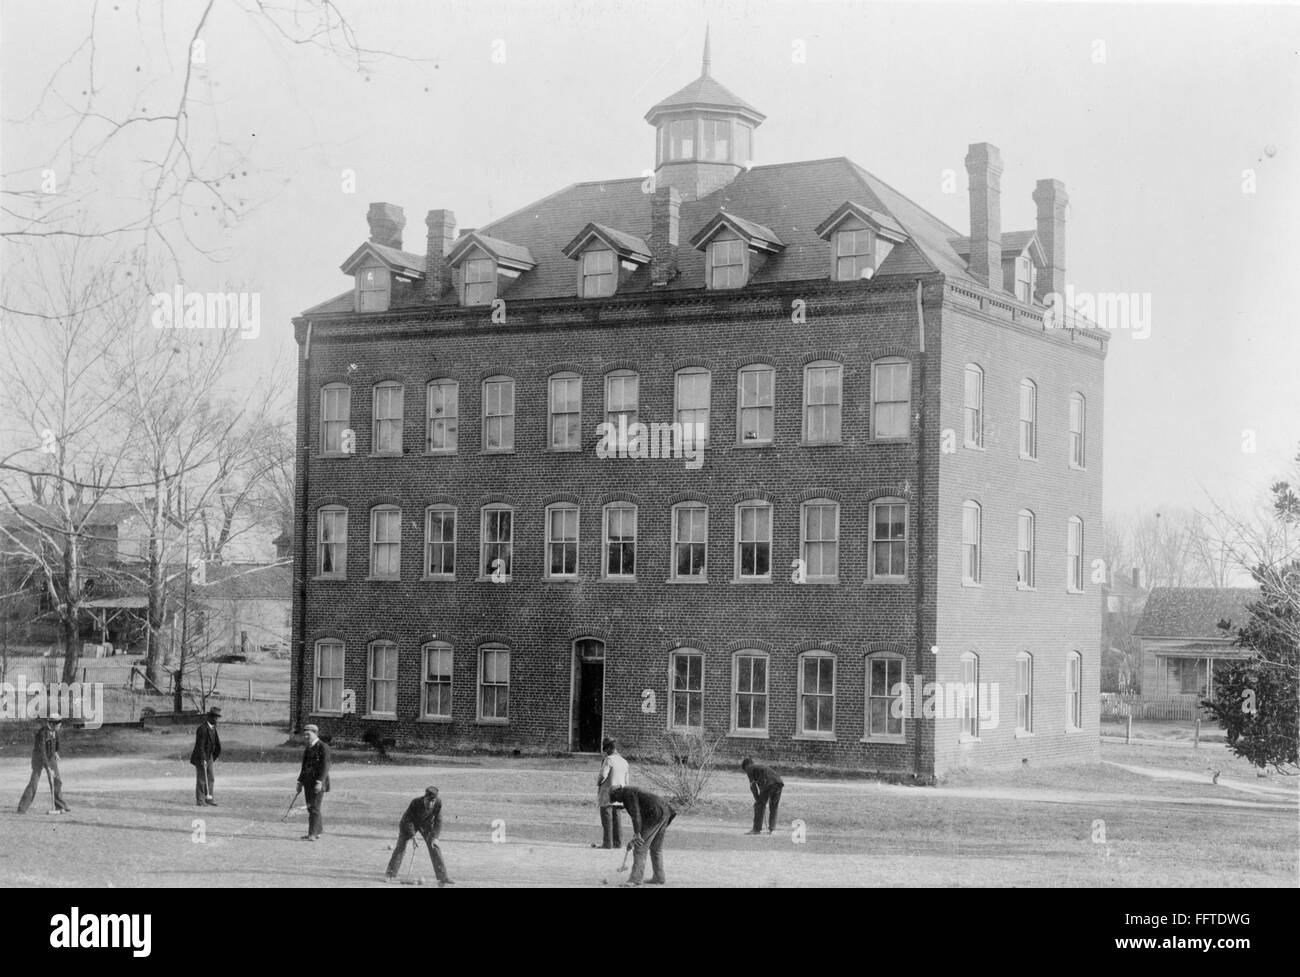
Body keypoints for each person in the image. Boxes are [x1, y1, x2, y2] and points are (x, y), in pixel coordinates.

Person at [385, 786, 455, 887]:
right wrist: (413, 836)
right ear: (425, 798)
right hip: (409, 824)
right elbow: (407, 821)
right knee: (401, 846)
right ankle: (390, 873)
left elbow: (438, 821)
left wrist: (435, 837)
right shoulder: (415, 803)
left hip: (426, 825)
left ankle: (442, 877)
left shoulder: (438, 803)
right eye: (429, 801)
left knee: (434, 846)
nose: (431, 804)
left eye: (433, 801)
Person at [609, 785, 675, 886]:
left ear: (617, 793)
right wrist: (635, 836)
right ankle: (659, 877)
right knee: (656, 848)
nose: (618, 801)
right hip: (665, 812)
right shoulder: (631, 790)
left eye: (615, 798)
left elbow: (636, 816)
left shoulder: (627, 794)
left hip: (655, 814)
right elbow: (641, 817)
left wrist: (636, 835)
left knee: (640, 848)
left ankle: (635, 879)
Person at [17, 713, 72, 815]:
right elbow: (42, 751)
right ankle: (22, 808)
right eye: (58, 725)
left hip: (50, 757)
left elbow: (56, 741)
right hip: (39, 759)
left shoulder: (55, 731)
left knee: (57, 781)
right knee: (34, 783)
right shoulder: (42, 733)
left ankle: (60, 805)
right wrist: (48, 767)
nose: (60, 727)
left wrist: (56, 752)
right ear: (53, 724)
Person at [297, 724, 331, 841]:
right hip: (308, 782)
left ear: (315, 733)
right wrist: (300, 782)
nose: (306, 736)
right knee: (311, 808)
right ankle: (318, 831)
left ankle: (312, 833)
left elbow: (326, 766)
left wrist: (319, 782)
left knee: (314, 808)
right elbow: (304, 767)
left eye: (308, 734)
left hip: (318, 783)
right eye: (305, 734)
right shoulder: (308, 748)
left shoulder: (323, 747)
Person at [595, 736, 629, 849]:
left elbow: (603, 775)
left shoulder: (609, 760)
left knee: (606, 818)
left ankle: (607, 843)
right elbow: (626, 780)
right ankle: (618, 843)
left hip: (607, 791)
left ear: (610, 748)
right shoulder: (624, 761)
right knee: (617, 818)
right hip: (619, 792)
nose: (605, 752)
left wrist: (598, 783)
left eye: (606, 749)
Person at [741, 757, 784, 834]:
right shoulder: (758, 767)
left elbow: (753, 786)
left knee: (759, 806)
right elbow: (760, 783)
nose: (746, 772)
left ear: (746, 766)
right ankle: (772, 829)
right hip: (779, 782)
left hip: (769, 783)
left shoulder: (749, 768)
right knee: (774, 806)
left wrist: (757, 798)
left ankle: (756, 829)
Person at [190, 706, 222, 807]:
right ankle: (200, 801)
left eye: (217, 718)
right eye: (215, 717)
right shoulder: (202, 729)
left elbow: (216, 743)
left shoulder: (213, 728)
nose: (217, 720)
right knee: (201, 779)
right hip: (200, 757)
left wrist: (213, 756)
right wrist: (203, 759)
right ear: (210, 717)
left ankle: (209, 799)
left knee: (211, 778)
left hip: (209, 757)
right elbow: (200, 746)